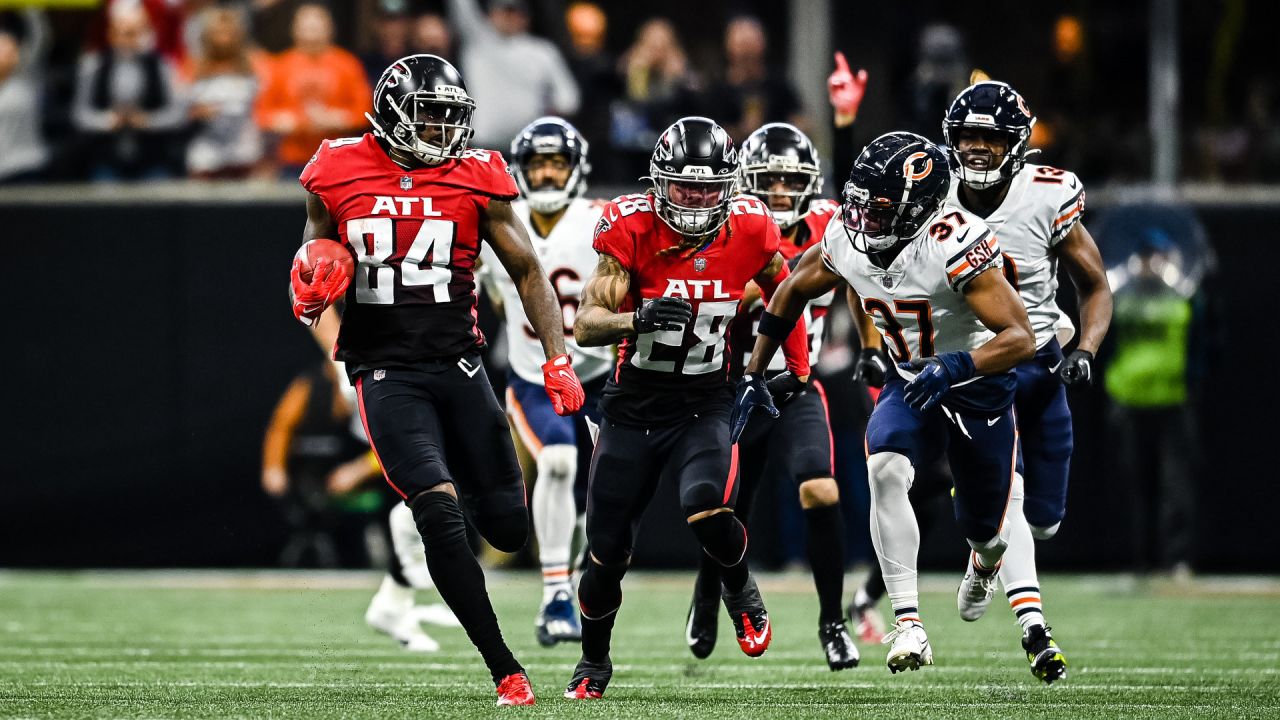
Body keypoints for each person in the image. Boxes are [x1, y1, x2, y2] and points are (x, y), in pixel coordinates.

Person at [288, 54, 586, 706]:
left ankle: (459, 522)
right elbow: (313, 254)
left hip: (460, 364)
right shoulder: (336, 167)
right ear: (392, 115)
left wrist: (557, 358)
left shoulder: (477, 173)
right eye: (429, 115)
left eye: (452, 117)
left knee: (508, 527)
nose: (443, 129)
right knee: (437, 509)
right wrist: (311, 294)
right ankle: (505, 670)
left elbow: (527, 271)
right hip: (385, 370)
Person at [732, 131, 1035, 673]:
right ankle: (908, 623)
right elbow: (791, 288)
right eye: (861, 203)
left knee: (985, 531)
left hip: (975, 381)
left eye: (881, 207)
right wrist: (755, 371)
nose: (864, 218)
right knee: (885, 466)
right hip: (909, 377)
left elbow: (1020, 337)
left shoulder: (955, 242)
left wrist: (955, 365)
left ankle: (985, 564)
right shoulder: (848, 237)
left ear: (919, 207)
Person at [563, 116, 811, 699]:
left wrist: (791, 370)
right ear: (659, 183)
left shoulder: (751, 226)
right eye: (684, 187)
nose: (697, 200)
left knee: (705, 502)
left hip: (705, 399)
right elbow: (585, 325)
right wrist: (636, 318)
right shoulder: (629, 227)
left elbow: (790, 288)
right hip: (632, 403)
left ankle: (739, 586)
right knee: (605, 555)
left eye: (708, 188)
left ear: (729, 183)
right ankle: (593, 661)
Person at [939, 80, 1112, 683]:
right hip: (982, 366)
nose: (978, 149)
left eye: (990, 138)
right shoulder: (931, 198)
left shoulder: (1046, 195)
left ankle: (984, 553)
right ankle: (1033, 628)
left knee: (1044, 521)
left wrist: (1086, 348)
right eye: (967, 138)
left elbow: (1095, 284)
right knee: (1006, 498)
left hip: (1040, 361)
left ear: (1015, 144)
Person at [685, 122, 858, 670]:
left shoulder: (831, 222)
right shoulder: (731, 228)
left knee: (821, 489)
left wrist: (845, 124)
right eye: (771, 179)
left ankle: (833, 622)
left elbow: (866, 213)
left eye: (791, 180)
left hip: (798, 385)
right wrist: (760, 285)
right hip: (736, 384)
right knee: (727, 505)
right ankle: (708, 591)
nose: (781, 191)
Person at [477, 117, 612, 646]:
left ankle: (575, 576)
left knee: (603, 494)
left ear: (575, 170)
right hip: (536, 378)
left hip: (600, 376)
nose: (549, 174)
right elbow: (492, 295)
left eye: (558, 163)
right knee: (557, 462)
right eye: (539, 164)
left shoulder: (600, 222)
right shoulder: (499, 222)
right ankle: (556, 592)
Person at [71, 2, 185, 180]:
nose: (129, 40)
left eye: (135, 33)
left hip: (152, 158)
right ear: (111, 34)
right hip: (106, 158)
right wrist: (108, 121)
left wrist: (146, 121)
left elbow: (177, 115)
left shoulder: (162, 66)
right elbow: (79, 115)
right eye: (123, 33)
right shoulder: (93, 65)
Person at [445, 0, 579, 150]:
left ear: (526, 17)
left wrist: (547, 118)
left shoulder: (542, 51)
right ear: (491, 15)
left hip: (527, 147)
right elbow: (461, 5)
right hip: (483, 146)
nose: (510, 18)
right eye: (504, 12)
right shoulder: (477, 41)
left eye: (515, 12)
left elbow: (568, 100)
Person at [255, 3, 370, 177]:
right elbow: (262, 114)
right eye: (306, 27)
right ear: (295, 29)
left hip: (338, 159)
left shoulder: (347, 64)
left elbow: (365, 111)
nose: (312, 33)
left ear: (330, 29)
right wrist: (288, 120)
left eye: (317, 27)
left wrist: (338, 118)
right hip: (292, 162)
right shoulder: (281, 65)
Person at [185, 7, 265, 178]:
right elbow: (182, 110)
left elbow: (263, 110)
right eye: (218, 32)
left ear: (238, 35)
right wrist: (196, 112)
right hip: (206, 155)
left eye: (228, 32)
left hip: (243, 154)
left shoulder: (254, 66)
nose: (223, 38)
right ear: (208, 36)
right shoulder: (193, 68)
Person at [0, 8, 50, 183]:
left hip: (26, 167)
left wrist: (27, 6)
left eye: (8, 47)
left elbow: (40, 35)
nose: (3, 52)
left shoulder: (26, 78)